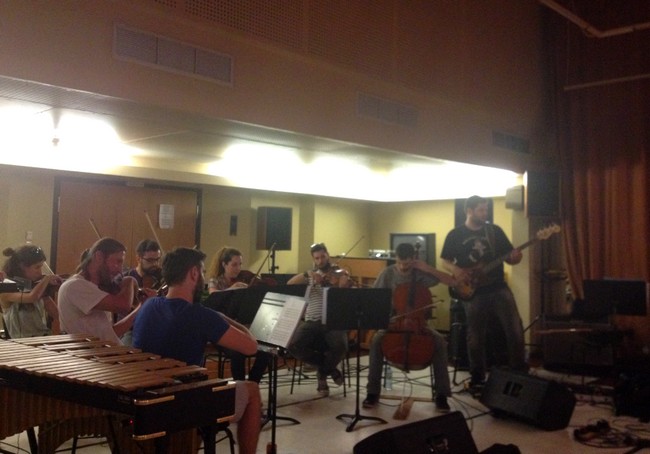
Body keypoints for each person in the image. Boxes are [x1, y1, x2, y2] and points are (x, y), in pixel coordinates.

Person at [132, 247, 261, 454]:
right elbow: (251, 347)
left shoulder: (149, 305)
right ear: (193, 273)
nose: (203, 277)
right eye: (202, 272)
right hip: (185, 403)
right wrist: (223, 318)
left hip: (147, 396)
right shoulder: (200, 315)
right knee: (252, 390)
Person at [440, 195, 527, 391]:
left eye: (486, 209)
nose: (485, 213)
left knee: (514, 328)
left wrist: (516, 257)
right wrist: (457, 270)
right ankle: (477, 377)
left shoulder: (494, 231)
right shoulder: (455, 234)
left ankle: (519, 372)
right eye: (481, 210)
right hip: (473, 291)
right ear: (469, 211)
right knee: (475, 335)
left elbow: (510, 258)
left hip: (498, 287)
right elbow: (444, 260)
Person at [363, 242, 457, 412]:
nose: (402, 267)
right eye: (399, 263)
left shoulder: (420, 273)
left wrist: (427, 268)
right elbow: (375, 298)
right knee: (376, 341)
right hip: (393, 322)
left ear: (413, 259)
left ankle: (442, 394)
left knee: (440, 342)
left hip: (418, 324)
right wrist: (387, 319)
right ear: (396, 258)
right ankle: (372, 392)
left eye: (406, 264)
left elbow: (451, 281)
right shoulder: (387, 273)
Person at [286, 242, 348, 397]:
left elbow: (347, 295)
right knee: (292, 345)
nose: (321, 261)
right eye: (317, 258)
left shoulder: (339, 274)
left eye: (323, 257)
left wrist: (341, 285)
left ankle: (322, 374)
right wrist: (308, 274)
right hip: (312, 320)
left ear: (328, 255)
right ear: (313, 260)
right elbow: (289, 283)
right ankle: (329, 368)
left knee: (341, 346)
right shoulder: (311, 276)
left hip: (333, 321)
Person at [57, 237, 141, 344]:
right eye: (118, 261)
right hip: (89, 353)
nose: (120, 270)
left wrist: (141, 307)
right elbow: (123, 306)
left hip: (104, 350)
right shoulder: (75, 286)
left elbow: (111, 334)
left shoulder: (97, 289)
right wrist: (129, 281)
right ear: (99, 256)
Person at [206, 246, 271, 383]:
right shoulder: (215, 281)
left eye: (240, 264)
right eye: (234, 264)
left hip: (243, 328)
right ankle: (240, 387)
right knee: (238, 353)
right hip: (223, 330)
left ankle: (252, 383)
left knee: (267, 351)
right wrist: (231, 289)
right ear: (224, 264)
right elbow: (213, 295)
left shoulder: (244, 279)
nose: (238, 268)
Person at [0, 245, 60, 338]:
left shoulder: (37, 288)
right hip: (23, 343)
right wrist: (46, 279)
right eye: (37, 267)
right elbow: (32, 297)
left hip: (44, 338)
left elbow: (57, 315)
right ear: (22, 267)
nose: (40, 272)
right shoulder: (6, 290)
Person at [120, 239, 162, 345]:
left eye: (157, 260)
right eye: (150, 260)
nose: (155, 264)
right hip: (132, 330)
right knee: (127, 347)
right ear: (138, 258)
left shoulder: (163, 278)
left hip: (158, 328)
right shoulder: (126, 278)